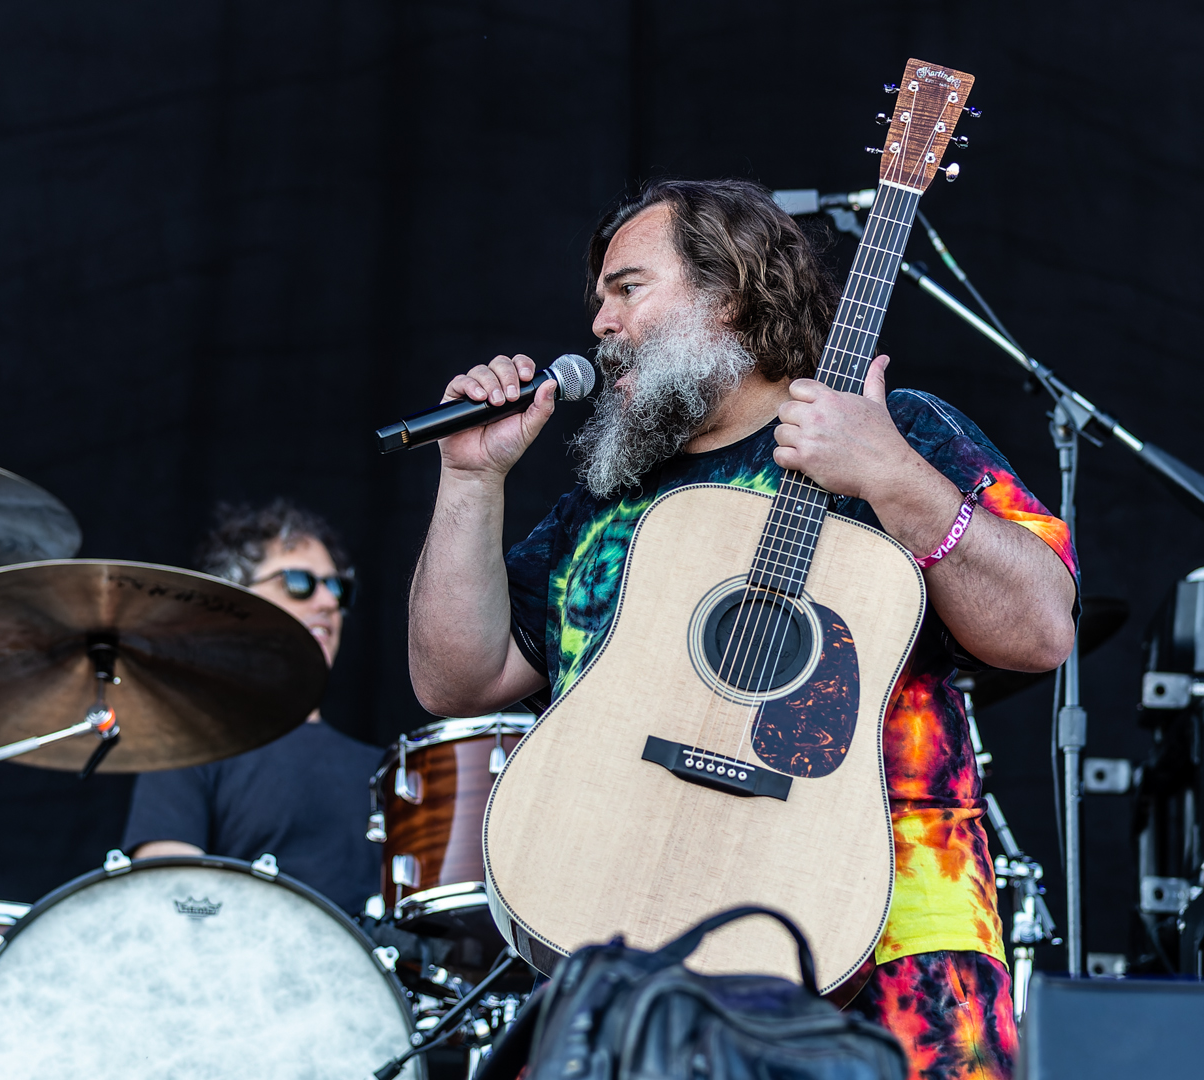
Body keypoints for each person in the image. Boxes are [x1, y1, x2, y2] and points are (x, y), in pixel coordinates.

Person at [408, 179, 1076, 1080]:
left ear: (729, 293)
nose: (600, 323)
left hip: (891, 938)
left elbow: (1041, 629)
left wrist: (892, 474)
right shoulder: (608, 502)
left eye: (628, 288)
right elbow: (458, 680)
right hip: (625, 932)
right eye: (598, 299)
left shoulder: (903, 434)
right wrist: (469, 479)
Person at [121, 501, 381, 916]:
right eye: (299, 582)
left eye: (338, 588)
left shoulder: (389, 772)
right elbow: (167, 900)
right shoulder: (192, 746)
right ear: (234, 603)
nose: (327, 602)